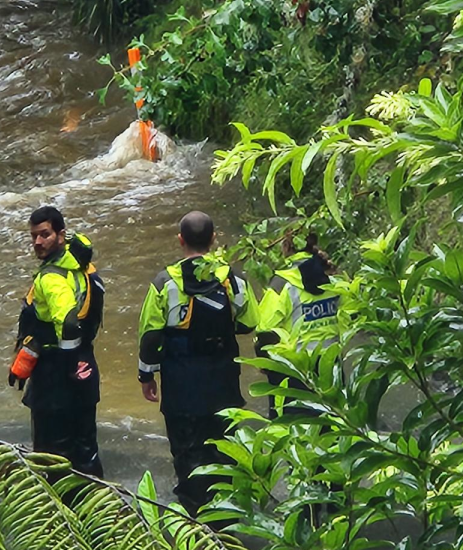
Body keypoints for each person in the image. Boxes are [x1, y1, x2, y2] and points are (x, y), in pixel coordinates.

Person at [137, 211, 259, 516]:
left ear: (181, 241)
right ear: (213, 238)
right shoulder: (231, 278)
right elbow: (250, 322)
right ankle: (228, 519)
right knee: (224, 448)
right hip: (223, 382)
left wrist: (146, 376)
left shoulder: (165, 282)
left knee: (187, 451)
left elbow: (150, 336)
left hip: (181, 386)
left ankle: (195, 515)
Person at [8, 206, 104, 477]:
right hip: (86, 368)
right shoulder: (81, 267)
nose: (38, 242)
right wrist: (80, 363)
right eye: (34, 236)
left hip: (56, 379)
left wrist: (70, 362)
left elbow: (69, 321)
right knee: (86, 449)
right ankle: (98, 509)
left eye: (45, 235)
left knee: (51, 456)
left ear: (61, 235)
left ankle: (59, 512)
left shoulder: (51, 278)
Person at [255, 233, 342, 419]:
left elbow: (265, 330)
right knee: (334, 430)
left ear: (285, 247)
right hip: (331, 367)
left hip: (294, 371)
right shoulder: (334, 279)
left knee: (291, 433)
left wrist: (264, 361)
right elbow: (351, 318)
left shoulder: (281, 284)